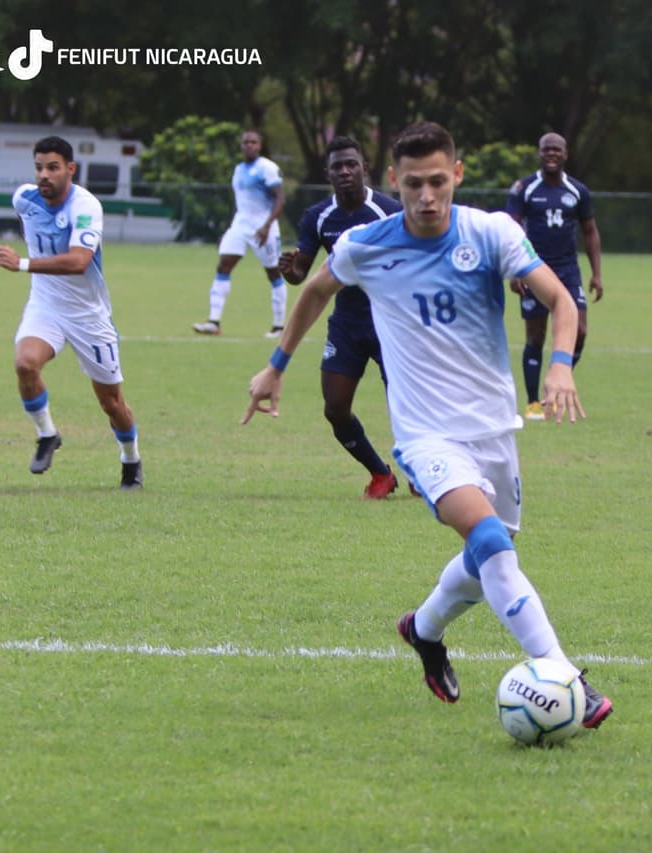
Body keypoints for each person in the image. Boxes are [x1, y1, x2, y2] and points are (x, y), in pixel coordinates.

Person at [244, 122, 613, 729]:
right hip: (425, 437)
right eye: (413, 184)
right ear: (394, 181)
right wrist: (276, 366)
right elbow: (314, 291)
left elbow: (562, 301)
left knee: (490, 554)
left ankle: (423, 629)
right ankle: (563, 674)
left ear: (457, 176)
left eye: (438, 181)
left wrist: (562, 367)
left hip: (493, 428)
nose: (426, 196)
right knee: (491, 542)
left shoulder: (490, 231)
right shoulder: (366, 243)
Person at [0, 135, 143, 490]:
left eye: (53, 168)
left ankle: (131, 459)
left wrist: (23, 263)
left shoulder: (86, 207)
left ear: (70, 170)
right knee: (25, 363)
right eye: (39, 167)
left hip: (88, 315)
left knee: (111, 402)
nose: (44, 175)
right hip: (45, 305)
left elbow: (79, 261)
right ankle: (47, 435)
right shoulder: (23, 199)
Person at [278, 136, 407, 499]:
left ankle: (421, 470)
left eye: (352, 164)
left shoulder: (389, 211)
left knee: (405, 407)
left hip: (390, 323)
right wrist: (289, 270)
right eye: (337, 166)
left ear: (365, 168)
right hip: (347, 323)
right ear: (328, 173)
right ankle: (380, 473)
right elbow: (303, 273)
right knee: (335, 409)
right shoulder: (318, 216)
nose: (345, 171)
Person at [505, 132, 603, 420]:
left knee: (580, 330)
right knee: (535, 335)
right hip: (533, 268)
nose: (551, 154)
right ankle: (534, 402)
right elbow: (511, 229)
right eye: (546, 149)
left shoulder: (578, 191)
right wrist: (515, 269)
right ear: (540, 153)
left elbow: (590, 232)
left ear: (565, 154)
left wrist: (597, 274)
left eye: (557, 150)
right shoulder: (524, 187)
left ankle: (559, 382)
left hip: (568, 271)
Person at [193, 129, 289, 338]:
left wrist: (266, 226)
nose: (249, 145)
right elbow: (242, 203)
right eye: (246, 142)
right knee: (223, 265)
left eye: (253, 142)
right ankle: (213, 322)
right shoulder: (238, 169)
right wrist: (229, 231)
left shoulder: (268, 168)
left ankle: (279, 326)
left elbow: (280, 199)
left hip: (264, 227)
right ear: (241, 145)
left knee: (273, 273)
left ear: (260, 145)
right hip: (240, 225)